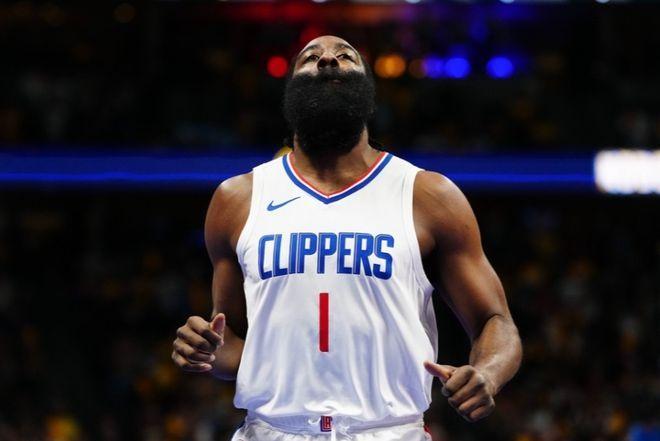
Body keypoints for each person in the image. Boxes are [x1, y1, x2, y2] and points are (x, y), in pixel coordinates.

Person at [171, 35, 522, 441]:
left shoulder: (427, 195)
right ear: (290, 92)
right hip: (271, 430)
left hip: (389, 431)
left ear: (368, 93)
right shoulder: (238, 199)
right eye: (310, 58)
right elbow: (232, 345)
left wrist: (487, 373)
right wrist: (206, 350)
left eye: (345, 56)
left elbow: (496, 321)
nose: (327, 60)